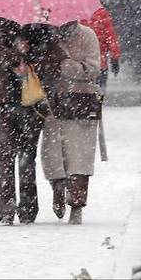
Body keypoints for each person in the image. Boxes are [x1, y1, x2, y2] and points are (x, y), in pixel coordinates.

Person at [0, 18, 64, 225]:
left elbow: (57, 62)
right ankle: (7, 209)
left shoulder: (44, 32)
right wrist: (17, 53)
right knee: (6, 155)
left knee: (28, 156)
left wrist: (34, 58)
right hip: (2, 103)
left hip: (33, 105)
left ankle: (28, 209)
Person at [40, 21, 102, 225]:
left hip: (81, 102)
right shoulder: (46, 35)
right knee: (53, 155)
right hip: (52, 104)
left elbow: (93, 70)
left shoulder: (87, 35)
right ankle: (58, 189)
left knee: (79, 157)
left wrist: (65, 63)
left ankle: (76, 204)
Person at [80, 0, 121, 92]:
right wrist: (115, 57)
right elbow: (111, 37)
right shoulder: (101, 13)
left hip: (78, 65)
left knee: (80, 96)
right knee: (98, 95)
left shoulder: (72, 13)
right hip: (98, 63)